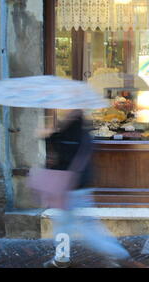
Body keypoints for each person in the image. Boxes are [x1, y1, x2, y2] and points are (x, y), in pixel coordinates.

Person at [39, 109, 130, 268]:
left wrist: (47, 135)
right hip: (82, 186)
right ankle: (62, 258)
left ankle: (117, 253)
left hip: (69, 189)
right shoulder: (84, 134)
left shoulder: (66, 135)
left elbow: (61, 157)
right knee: (76, 225)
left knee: (81, 228)